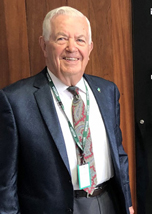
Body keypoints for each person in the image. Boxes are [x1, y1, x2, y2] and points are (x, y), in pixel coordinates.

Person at [0, 6, 134, 214]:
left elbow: (118, 154)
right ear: (44, 46)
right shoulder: (15, 101)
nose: (72, 48)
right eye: (62, 38)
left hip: (108, 203)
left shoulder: (107, 91)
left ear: (90, 47)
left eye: (80, 40)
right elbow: (6, 182)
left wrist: (127, 203)